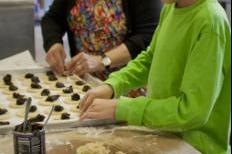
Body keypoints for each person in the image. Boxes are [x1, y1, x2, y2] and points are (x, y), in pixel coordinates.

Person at [79, 0, 231, 153]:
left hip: (195, 148)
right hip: (164, 136)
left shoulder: (210, 23)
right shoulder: (170, 8)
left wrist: (123, 108)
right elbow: (150, 59)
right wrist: (113, 85)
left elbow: (192, 112)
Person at [41, 0, 162, 80]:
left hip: (127, 83)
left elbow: (147, 37)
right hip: (84, 80)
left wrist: (101, 61)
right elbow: (52, 18)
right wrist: (54, 43)